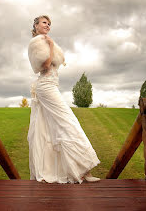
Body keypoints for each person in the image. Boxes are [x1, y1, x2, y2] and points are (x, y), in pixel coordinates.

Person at [27, 15, 100, 183]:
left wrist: (51, 45)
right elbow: (45, 65)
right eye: (44, 22)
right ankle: (83, 170)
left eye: (49, 23)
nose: (47, 25)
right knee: (69, 122)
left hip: (50, 86)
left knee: (53, 128)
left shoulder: (44, 41)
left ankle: (76, 171)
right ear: (36, 26)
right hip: (45, 87)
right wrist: (51, 46)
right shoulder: (37, 42)